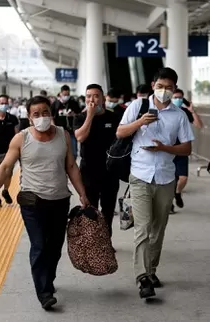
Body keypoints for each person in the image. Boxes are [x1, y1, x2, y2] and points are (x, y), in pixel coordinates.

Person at [0, 95, 88, 310]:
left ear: (52, 113)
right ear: (30, 118)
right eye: (36, 114)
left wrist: (82, 194)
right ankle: (44, 292)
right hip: (32, 201)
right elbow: (5, 168)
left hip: (60, 199)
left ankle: (47, 279)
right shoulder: (21, 139)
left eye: (45, 113)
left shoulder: (63, 135)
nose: (42, 117)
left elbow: (71, 167)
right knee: (39, 245)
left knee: (55, 247)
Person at [116, 67, 194, 299]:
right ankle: (143, 277)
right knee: (142, 226)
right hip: (139, 175)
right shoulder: (137, 106)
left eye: (169, 88)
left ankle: (151, 270)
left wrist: (164, 148)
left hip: (166, 177)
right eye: (160, 86)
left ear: (175, 89)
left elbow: (187, 148)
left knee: (158, 229)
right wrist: (140, 122)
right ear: (152, 86)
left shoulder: (179, 115)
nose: (164, 91)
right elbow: (120, 132)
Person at [73, 84, 123, 238]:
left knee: (108, 210)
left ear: (103, 98)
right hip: (89, 170)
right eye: (88, 96)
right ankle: (94, 241)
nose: (92, 99)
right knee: (91, 208)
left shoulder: (113, 116)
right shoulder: (80, 117)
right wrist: (90, 115)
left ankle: (106, 242)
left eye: (96, 96)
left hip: (110, 170)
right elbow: (80, 137)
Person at [170, 88, 203, 212]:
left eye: (180, 98)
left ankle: (177, 193)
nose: (178, 100)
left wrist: (192, 111)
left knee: (183, 178)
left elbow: (199, 125)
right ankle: (169, 204)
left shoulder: (184, 112)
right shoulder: (165, 112)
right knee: (170, 180)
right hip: (168, 149)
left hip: (182, 148)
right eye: (175, 97)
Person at [51, 85, 81, 160]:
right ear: (60, 94)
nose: (66, 96)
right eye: (64, 95)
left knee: (73, 152)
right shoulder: (55, 104)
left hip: (71, 131)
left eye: (68, 94)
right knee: (59, 152)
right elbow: (51, 116)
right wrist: (53, 126)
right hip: (59, 131)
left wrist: (74, 114)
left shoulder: (73, 103)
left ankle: (72, 166)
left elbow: (80, 114)